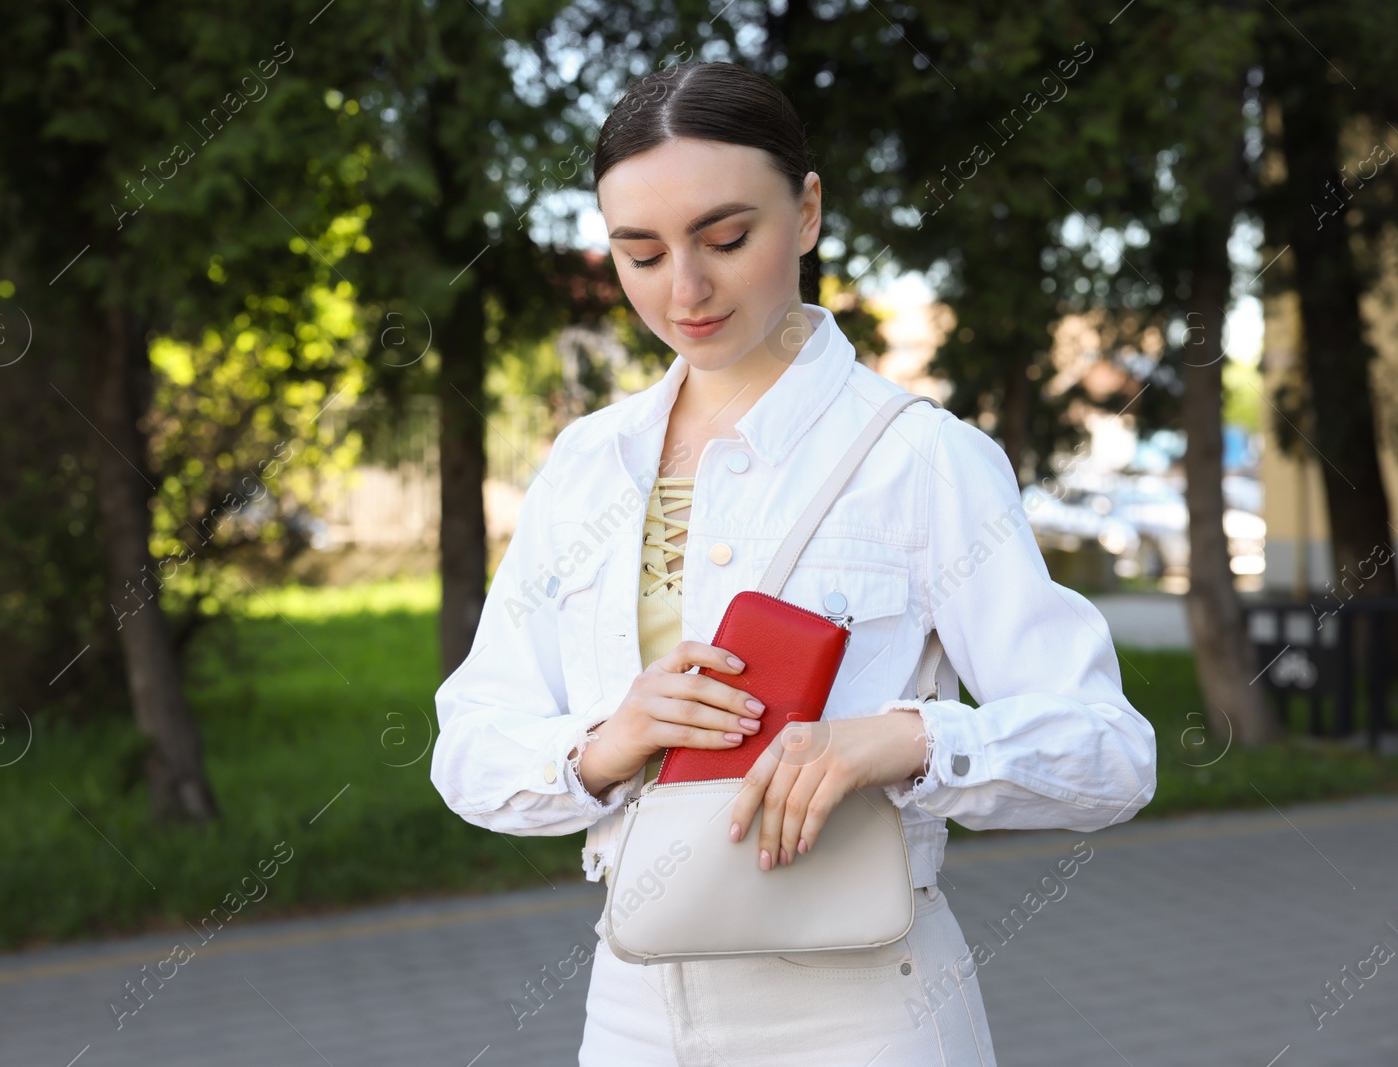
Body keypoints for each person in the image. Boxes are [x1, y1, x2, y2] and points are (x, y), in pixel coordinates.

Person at [430, 60, 1157, 1067]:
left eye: (727, 238)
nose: (684, 289)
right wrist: (604, 742)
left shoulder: (920, 456)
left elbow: (1110, 754)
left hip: (862, 1012)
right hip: (633, 1007)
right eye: (639, 253)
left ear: (807, 211)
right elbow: (469, 743)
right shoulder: (588, 464)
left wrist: (901, 740)